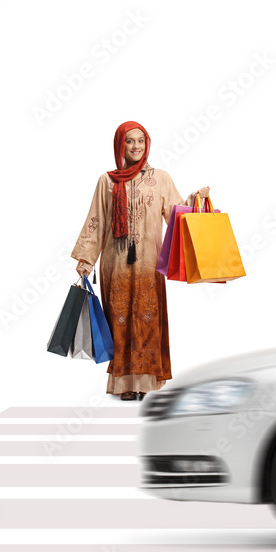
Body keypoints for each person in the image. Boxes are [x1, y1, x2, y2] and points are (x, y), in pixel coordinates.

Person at [71, 121, 209, 401]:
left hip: (148, 264)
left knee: (147, 319)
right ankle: (124, 385)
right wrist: (86, 258)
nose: (136, 147)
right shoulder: (106, 181)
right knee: (119, 322)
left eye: (141, 141)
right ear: (120, 145)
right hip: (116, 265)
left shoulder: (160, 178)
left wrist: (195, 201)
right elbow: (96, 221)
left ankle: (144, 381)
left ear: (147, 145)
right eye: (129, 141)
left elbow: (176, 216)